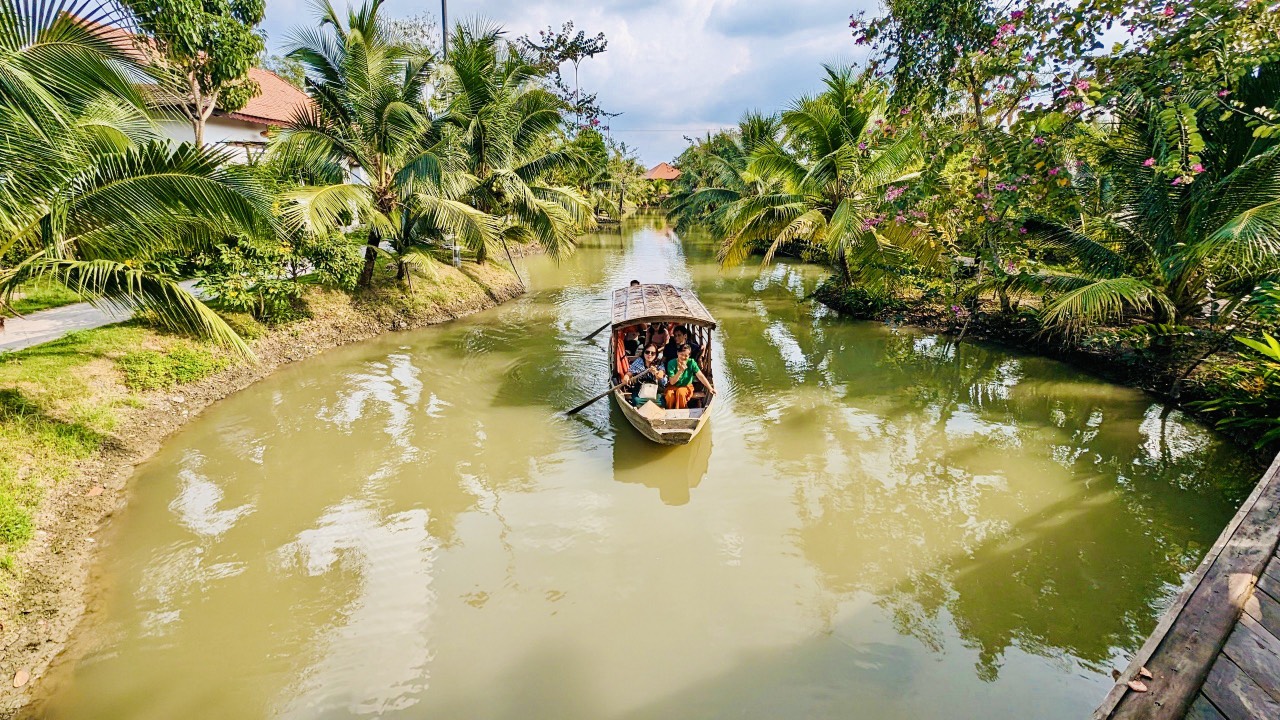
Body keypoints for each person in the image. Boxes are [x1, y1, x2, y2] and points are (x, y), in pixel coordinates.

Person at [664, 343, 716, 410]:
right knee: (669, 395)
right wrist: (680, 371)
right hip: (673, 386)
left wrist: (710, 388)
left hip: (686, 386)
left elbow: (700, 376)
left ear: (689, 356)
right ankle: (670, 410)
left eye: (686, 356)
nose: (683, 357)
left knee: (681, 392)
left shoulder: (691, 362)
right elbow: (672, 382)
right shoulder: (671, 363)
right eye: (681, 354)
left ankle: (681, 411)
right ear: (677, 353)